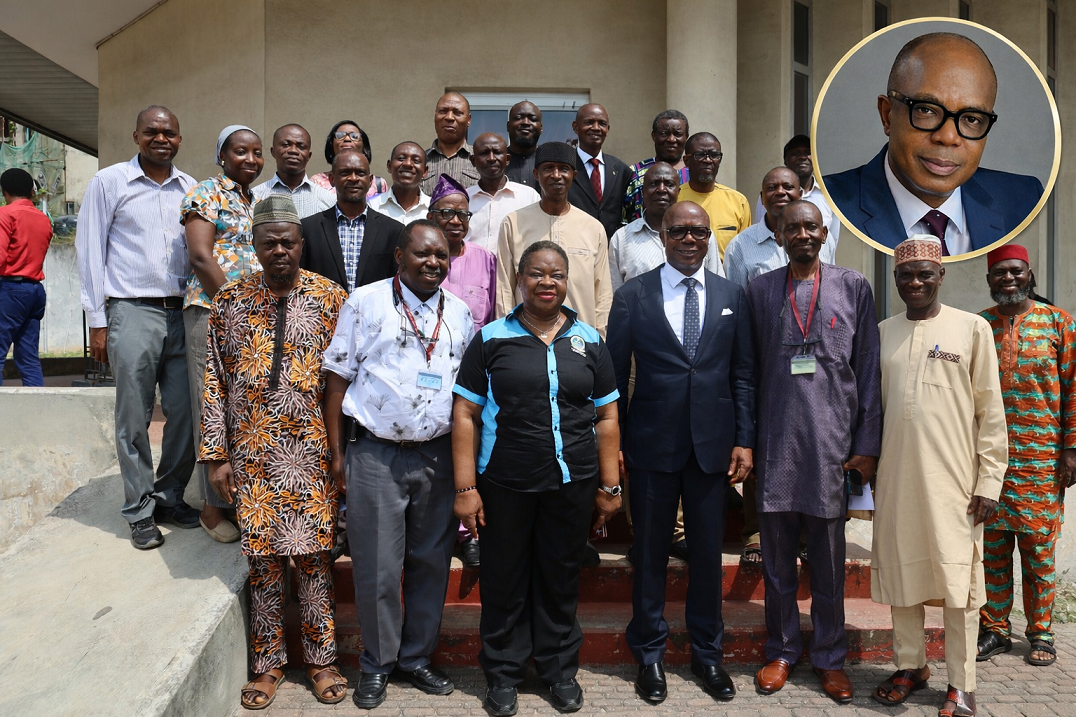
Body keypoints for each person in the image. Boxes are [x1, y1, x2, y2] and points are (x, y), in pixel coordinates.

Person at [452, 240, 621, 716]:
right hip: (505, 484)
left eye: (556, 274)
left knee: (560, 577)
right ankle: (503, 674)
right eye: (536, 274)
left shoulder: (589, 340)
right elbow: (464, 413)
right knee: (504, 579)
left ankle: (557, 669)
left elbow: (607, 417)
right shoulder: (491, 340)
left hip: (572, 484)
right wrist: (465, 489)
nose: (547, 282)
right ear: (519, 279)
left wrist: (610, 487)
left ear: (567, 281)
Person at [199, 195, 348, 710]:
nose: (280, 251)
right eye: (270, 243)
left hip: (311, 454)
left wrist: (341, 450)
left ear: (301, 244)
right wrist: (217, 455)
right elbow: (214, 382)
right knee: (262, 567)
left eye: (288, 242)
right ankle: (267, 667)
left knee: (312, 562)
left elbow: (345, 380)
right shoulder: (229, 301)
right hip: (254, 457)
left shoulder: (332, 298)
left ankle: (322, 661)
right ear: (255, 246)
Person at [323, 220, 475, 710]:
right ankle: (377, 664)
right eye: (422, 254)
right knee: (377, 568)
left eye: (442, 256)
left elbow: (469, 397)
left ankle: (416, 659)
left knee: (430, 564)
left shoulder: (461, 313)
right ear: (399, 256)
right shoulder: (364, 303)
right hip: (376, 454)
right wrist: (337, 452)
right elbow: (337, 381)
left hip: (437, 457)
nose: (433, 263)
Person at [607, 201, 754, 705]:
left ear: (710, 236)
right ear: (663, 235)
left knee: (708, 557)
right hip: (651, 446)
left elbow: (742, 375)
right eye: (680, 231)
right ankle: (649, 653)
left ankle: (707, 654)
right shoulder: (632, 295)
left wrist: (744, 438)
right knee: (649, 554)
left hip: (713, 447)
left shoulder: (733, 295)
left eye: (699, 231)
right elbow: (612, 379)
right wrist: (619, 447)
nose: (690, 239)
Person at [747, 199, 882, 704]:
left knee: (827, 563)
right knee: (778, 563)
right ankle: (780, 651)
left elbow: (867, 369)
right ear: (778, 232)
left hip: (832, 449)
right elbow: (745, 374)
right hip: (776, 445)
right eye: (792, 226)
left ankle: (829, 657)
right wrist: (747, 442)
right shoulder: (760, 291)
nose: (801, 233)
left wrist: (866, 447)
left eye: (811, 226)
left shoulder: (853, 287)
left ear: (824, 233)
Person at [872, 235, 1008, 717]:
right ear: (896, 279)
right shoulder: (883, 332)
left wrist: (989, 483)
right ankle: (910, 666)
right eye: (906, 275)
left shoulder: (972, 329)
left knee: (960, 587)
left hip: (956, 485)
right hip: (896, 479)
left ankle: (962, 681)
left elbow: (991, 413)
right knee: (902, 577)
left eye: (924, 274)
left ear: (941, 276)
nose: (915, 282)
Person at [76, 105, 198, 549]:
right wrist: (98, 322)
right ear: (136, 136)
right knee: (134, 415)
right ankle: (139, 510)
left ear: (180, 140)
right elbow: (89, 251)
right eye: (152, 131)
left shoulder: (192, 188)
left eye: (170, 132)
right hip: (132, 310)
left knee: (186, 412)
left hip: (183, 312)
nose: (161, 138)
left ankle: (169, 496)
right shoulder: (110, 182)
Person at [823, 33, 1043, 254]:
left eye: (972, 118)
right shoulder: (825, 206)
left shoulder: (1026, 199)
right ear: (887, 115)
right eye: (926, 110)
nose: (948, 137)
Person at [976, 243, 1076, 668]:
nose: (1008, 279)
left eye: (1016, 271)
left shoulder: (1059, 323)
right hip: (990, 462)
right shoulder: (979, 326)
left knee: (1038, 554)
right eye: (1000, 273)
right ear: (989, 280)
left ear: (1029, 274)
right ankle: (996, 629)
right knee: (993, 551)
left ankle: (1042, 634)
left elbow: (1074, 389)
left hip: (1041, 463)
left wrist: (1072, 449)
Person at [182, 124, 264, 544]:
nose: (250, 159)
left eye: (256, 152)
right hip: (211, 312)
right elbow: (200, 255)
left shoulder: (253, 199)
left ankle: (235, 498)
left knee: (239, 406)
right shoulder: (206, 192)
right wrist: (235, 307)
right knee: (209, 407)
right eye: (240, 152)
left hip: (246, 316)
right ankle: (211, 510)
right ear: (222, 156)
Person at [496, 141, 612, 335]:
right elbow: (504, 288)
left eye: (563, 169)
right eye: (548, 168)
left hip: (580, 339)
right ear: (536, 175)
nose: (556, 175)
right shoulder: (513, 223)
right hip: (524, 338)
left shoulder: (593, 228)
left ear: (574, 176)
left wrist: (598, 341)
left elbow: (603, 295)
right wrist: (507, 339)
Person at [300, 149, 404, 293]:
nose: (353, 178)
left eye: (360, 173)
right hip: (324, 314)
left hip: (373, 314)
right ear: (332, 179)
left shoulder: (393, 231)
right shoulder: (308, 229)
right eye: (345, 173)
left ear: (370, 180)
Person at [610, 162, 722, 291]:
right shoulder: (622, 238)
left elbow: (716, 286)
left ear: (678, 192)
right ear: (643, 192)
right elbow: (614, 295)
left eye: (669, 184)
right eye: (654, 184)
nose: (661, 189)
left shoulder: (701, 235)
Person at [0, 168, 52, 386]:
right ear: (32, 191)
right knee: (28, 358)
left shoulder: (5, 214)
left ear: (4, 192)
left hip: (10, 291)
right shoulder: (43, 219)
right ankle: (38, 416)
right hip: (35, 292)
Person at [429, 174, 496, 329]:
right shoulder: (420, 260)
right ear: (431, 217)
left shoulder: (486, 260)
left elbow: (492, 318)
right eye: (447, 213)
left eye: (463, 215)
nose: (456, 221)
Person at [753, 135, 841, 253]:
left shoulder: (829, 196)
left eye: (808, 152)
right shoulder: (772, 196)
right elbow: (762, 234)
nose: (802, 157)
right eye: (796, 153)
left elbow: (832, 241)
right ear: (786, 160)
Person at [724, 167, 805, 292]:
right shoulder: (739, 246)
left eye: (788, 187)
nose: (780, 192)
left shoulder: (818, 240)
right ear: (762, 197)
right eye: (772, 188)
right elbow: (736, 302)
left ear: (800, 194)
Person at [677, 133, 750, 261]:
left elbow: (745, 251)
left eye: (714, 155)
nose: (708, 160)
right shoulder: (675, 198)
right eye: (700, 155)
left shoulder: (738, 201)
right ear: (687, 161)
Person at [466, 132, 540, 253]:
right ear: (473, 161)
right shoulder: (464, 199)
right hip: (472, 270)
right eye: (484, 153)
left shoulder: (528, 197)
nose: (491, 158)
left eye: (497, 152)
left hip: (513, 271)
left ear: (507, 160)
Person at [566, 103, 631, 239]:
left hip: (610, 250)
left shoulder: (621, 170)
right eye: (589, 122)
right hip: (573, 245)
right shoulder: (564, 167)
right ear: (575, 127)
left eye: (602, 123)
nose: (596, 128)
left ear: (607, 129)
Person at [252, 124, 336, 218]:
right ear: (273, 151)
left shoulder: (329, 200)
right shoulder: (255, 197)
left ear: (309, 156)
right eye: (286, 144)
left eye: (301, 146)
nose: (293, 151)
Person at [623, 110, 691, 224]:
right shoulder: (634, 172)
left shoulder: (694, 173)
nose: (671, 139)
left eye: (677, 134)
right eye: (665, 133)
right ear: (654, 136)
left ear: (686, 137)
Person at [310, 121, 389, 196]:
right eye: (340, 135)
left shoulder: (379, 184)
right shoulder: (317, 182)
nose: (347, 139)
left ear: (364, 146)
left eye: (355, 136)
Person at [422, 92, 478, 194]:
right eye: (443, 111)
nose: (449, 117)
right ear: (435, 116)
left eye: (457, 113)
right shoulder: (419, 162)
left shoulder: (481, 160)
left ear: (468, 120)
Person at [369, 141, 432, 224]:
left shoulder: (433, 208)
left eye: (416, 161)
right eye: (401, 158)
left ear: (425, 171)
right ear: (389, 166)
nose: (408, 164)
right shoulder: (372, 206)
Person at [505, 101, 542, 191]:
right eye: (518, 118)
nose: (525, 123)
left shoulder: (550, 162)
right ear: (508, 126)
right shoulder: (497, 161)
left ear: (541, 128)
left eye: (532, 119)